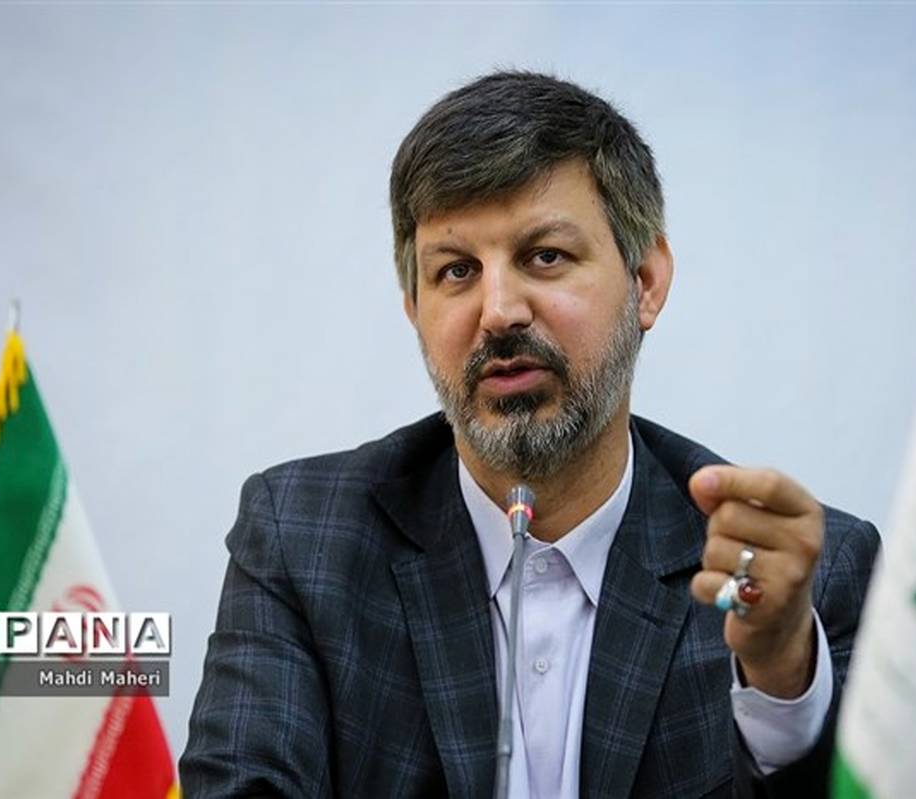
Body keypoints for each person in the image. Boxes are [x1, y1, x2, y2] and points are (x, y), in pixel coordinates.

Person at [181, 71, 880, 798]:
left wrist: (780, 678)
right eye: (457, 271)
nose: (499, 312)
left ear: (645, 281)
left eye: (544, 256)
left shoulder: (797, 579)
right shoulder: (303, 540)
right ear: (414, 307)